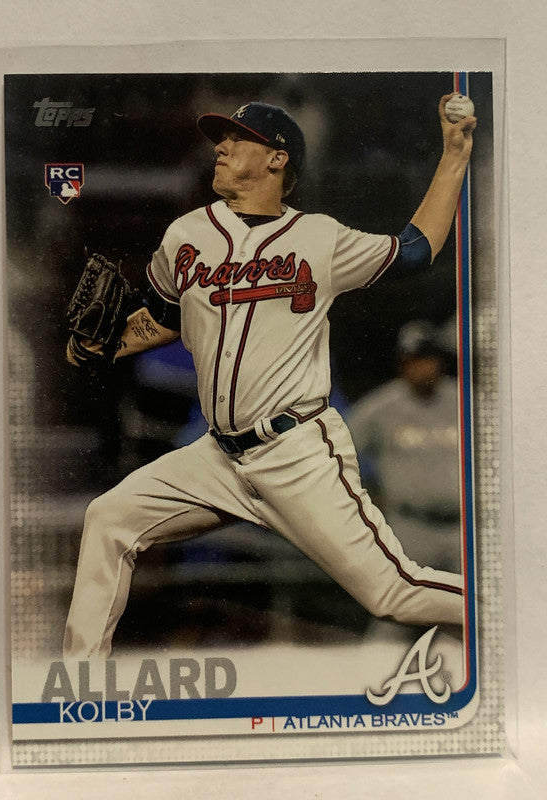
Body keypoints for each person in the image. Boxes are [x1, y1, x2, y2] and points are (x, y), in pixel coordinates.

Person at [64, 96, 476, 659]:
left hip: (295, 450)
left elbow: (416, 248)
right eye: (222, 139)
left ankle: (514, 612)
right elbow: (161, 319)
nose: (221, 147)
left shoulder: (319, 237)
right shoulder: (186, 234)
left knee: (392, 593)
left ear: (277, 158)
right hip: (218, 457)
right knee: (108, 518)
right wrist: (100, 344)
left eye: (237, 139)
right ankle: (81, 687)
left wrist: (453, 156)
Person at [348, 320, 461, 574]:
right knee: (406, 598)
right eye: (413, 359)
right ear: (401, 364)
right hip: (409, 528)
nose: (422, 367)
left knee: (471, 598)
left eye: (427, 358)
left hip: (462, 528)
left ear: (440, 361)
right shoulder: (380, 408)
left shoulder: (467, 400)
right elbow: (337, 452)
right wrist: (364, 497)